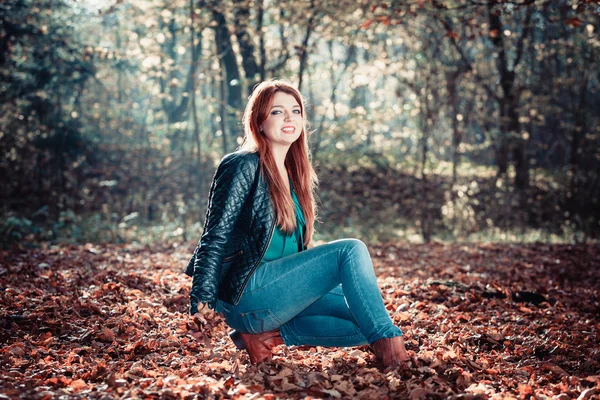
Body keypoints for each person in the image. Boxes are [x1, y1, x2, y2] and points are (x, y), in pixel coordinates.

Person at [185, 79, 409, 368]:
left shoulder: (294, 174)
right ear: (260, 121)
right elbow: (214, 237)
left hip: (278, 293)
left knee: (365, 316)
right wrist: (201, 303)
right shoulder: (242, 165)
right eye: (277, 112)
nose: (290, 118)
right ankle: (392, 349)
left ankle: (267, 337)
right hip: (247, 294)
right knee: (350, 250)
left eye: (296, 111)